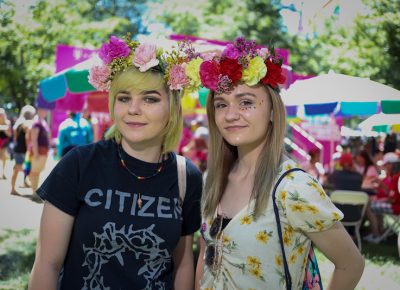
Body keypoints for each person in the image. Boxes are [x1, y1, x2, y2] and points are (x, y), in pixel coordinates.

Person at [29, 35, 203, 290]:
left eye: (150, 98)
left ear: (172, 107)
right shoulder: (79, 163)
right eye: (123, 97)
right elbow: (47, 264)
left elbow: (183, 264)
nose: (133, 109)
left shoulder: (186, 176)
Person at [195, 37, 364, 290]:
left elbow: (351, 264)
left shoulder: (294, 188)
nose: (230, 115)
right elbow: (206, 256)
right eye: (221, 104)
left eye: (246, 102)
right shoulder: (213, 177)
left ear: (273, 111)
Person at [10, 105, 36, 195]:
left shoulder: (18, 123)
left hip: (17, 149)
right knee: (23, 168)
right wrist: (29, 149)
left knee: (17, 169)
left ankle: (13, 188)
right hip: (23, 150)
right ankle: (33, 191)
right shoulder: (28, 123)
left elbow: (15, 138)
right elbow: (27, 138)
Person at [28, 107, 50, 201]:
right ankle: (34, 193)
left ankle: (35, 192)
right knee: (35, 173)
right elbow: (34, 139)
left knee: (37, 172)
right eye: (43, 109)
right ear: (39, 110)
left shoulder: (43, 122)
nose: (45, 111)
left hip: (43, 151)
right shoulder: (36, 122)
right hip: (38, 152)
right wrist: (36, 153)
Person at [0, 108, 12, 179]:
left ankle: (3, 172)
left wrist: (4, 130)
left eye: (2, 114)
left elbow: (10, 135)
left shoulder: (8, 122)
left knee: (4, 158)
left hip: (4, 142)